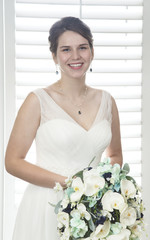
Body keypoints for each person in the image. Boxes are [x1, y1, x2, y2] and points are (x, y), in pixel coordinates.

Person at [5, 16, 123, 240]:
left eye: (82, 48)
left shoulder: (107, 101)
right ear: (54, 56)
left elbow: (115, 154)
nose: (76, 56)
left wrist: (102, 191)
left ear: (92, 52)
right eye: (66, 49)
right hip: (46, 206)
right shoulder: (37, 100)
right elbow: (12, 161)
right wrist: (71, 184)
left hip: (94, 210)